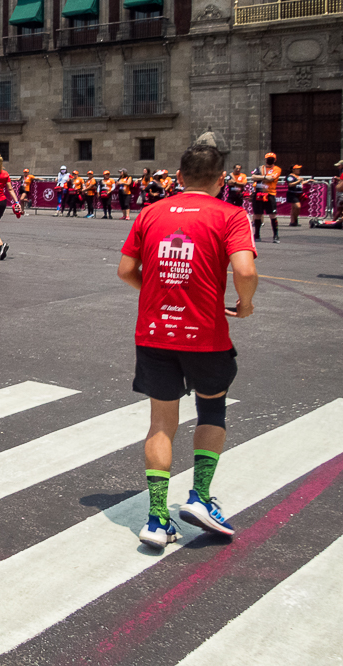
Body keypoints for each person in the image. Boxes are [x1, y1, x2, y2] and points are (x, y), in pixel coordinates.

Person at [116, 142, 257, 550]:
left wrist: (157, 293)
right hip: (205, 334)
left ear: (178, 177)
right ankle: (199, 496)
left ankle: (157, 519)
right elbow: (245, 270)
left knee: (161, 423)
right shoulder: (230, 214)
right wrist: (245, 305)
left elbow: (126, 270)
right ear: (220, 180)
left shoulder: (150, 212)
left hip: (155, 332)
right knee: (211, 408)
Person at [250, 152, 281, 243]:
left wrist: (260, 178)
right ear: (265, 159)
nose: (270, 159)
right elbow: (253, 176)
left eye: (271, 158)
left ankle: (275, 235)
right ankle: (257, 235)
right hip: (259, 193)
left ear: (274, 160)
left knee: (272, 215)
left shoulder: (277, 169)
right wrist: (265, 177)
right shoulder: (260, 168)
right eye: (268, 158)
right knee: (257, 214)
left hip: (270, 194)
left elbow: (272, 178)